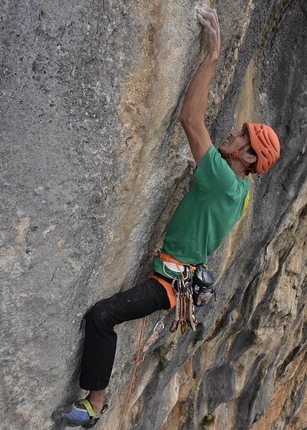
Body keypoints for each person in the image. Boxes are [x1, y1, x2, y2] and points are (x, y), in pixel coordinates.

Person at [52, 4, 280, 428]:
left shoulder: (221, 178)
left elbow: (189, 117)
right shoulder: (240, 191)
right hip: (181, 279)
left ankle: (93, 406)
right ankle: (93, 405)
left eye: (241, 137)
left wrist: (211, 56)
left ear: (247, 157)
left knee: (102, 316)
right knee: (106, 315)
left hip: (168, 285)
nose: (232, 131)